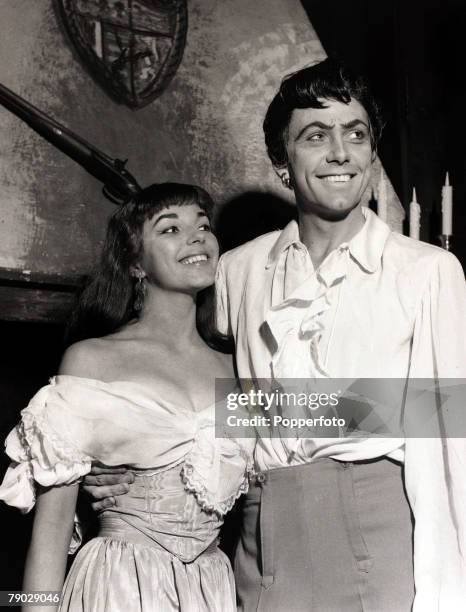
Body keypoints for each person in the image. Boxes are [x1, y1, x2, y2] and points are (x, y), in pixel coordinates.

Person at [83, 60, 466, 610]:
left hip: (373, 538)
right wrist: (119, 456)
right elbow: (211, 404)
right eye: (315, 136)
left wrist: (446, 598)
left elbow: (448, 448)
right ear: (282, 163)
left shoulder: (427, 271)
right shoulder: (235, 270)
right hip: (256, 543)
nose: (340, 152)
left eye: (355, 134)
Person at [0, 183, 253, 612]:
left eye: (203, 225)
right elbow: (51, 533)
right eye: (170, 228)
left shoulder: (238, 367)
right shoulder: (92, 360)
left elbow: (359, 416)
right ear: (135, 262)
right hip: (115, 586)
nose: (196, 237)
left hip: (211, 591)